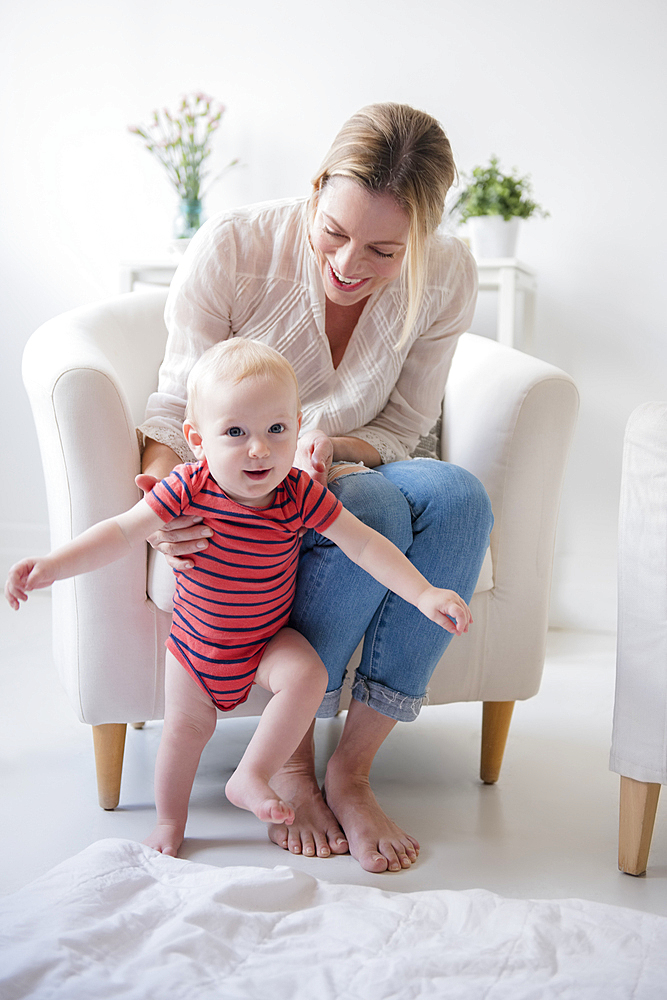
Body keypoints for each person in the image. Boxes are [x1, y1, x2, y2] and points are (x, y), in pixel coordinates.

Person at [138, 102, 494, 873]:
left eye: (383, 250)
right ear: (313, 191)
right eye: (332, 233)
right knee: (366, 506)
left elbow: (405, 425)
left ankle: (350, 770)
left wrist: (332, 447)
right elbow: (175, 409)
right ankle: (290, 764)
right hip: (254, 489)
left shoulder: (450, 275)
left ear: (422, 238)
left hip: (359, 456)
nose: (348, 266)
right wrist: (163, 515)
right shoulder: (236, 246)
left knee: (459, 497)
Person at [5, 339, 472, 860]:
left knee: (307, 674)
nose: (260, 450)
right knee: (182, 737)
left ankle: (251, 775)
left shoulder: (299, 491)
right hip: (195, 652)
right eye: (235, 433)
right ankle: (169, 820)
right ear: (197, 439)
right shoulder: (188, 486)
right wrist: (51, 566)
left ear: (297, 425)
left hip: (266, 645)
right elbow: (118, 533)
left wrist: (424, 593)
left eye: (277, 430)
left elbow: (362, 543)